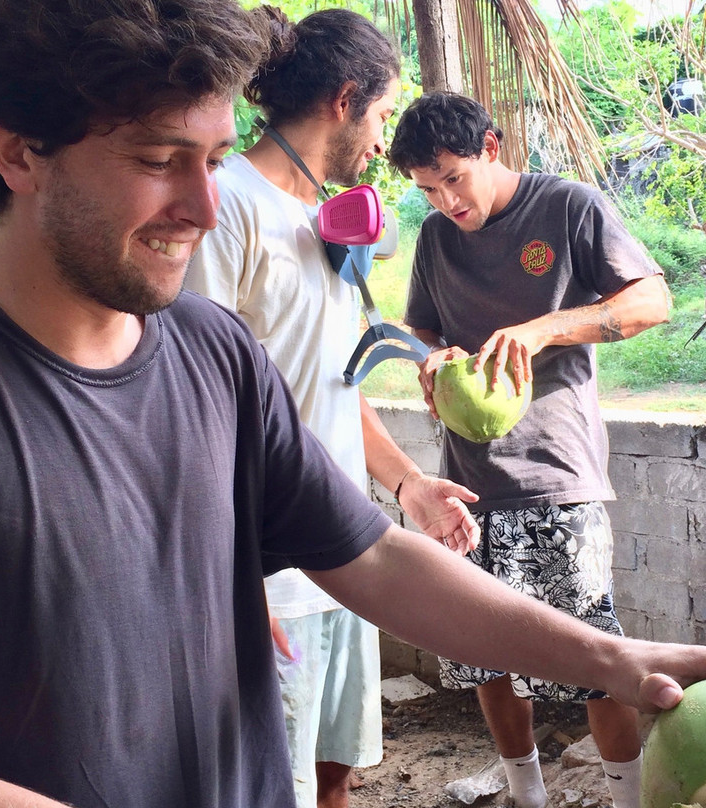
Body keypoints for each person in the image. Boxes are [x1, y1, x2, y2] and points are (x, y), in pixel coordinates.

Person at [0, 2, 706, 806]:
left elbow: (369, 556)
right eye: (161, 159)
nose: (205, 208)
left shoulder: (212, 352)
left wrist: (614, 658)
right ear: (17, 150)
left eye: (214, 159)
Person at [184, 9, 479, 807]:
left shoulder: (325, 218)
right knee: (269, 786)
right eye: (381, 115)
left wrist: (407, 484)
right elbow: (190, 410)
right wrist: (229, 580)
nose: (384, 141)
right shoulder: (226, 207)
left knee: (335, 775)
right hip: (269, 576)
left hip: (344, 557)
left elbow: (329, 383)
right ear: (345, 101)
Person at [388, 92, 674, 808]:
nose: (446, 201)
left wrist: (544, 328)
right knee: (484, 659)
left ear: (490, 147)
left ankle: (629, 800)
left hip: (557, 476)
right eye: (428, 189)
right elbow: (420, 329)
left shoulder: (569, 207)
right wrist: (431, 358)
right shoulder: (436, 238)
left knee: (594, 660)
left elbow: (651, 301)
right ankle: (527, 795)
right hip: (467, 485)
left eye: (454, 178)